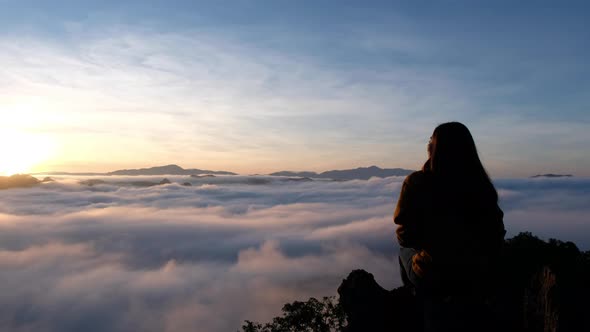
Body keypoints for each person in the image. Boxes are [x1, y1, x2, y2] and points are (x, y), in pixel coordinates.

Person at [394, 122, 506, 331]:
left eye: (430, 140)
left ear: (434, 147)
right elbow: (497, 232)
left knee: (403, 252)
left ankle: (417, 301)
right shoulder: (481, 186)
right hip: (478, 274)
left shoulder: (418, 182)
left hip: (436, 274)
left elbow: (405, 236)